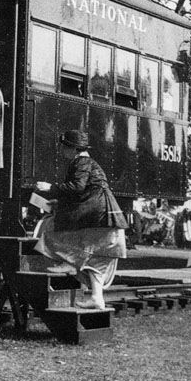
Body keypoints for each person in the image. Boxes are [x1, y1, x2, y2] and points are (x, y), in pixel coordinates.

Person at [34, 130, 129, 309]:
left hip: (96, 214)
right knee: (96, 258)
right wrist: (59, 200)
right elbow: (84, 190)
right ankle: (96, 297)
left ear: (74, 149)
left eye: (64, 147)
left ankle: (68, 263)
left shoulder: (81, 162)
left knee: (54, 233)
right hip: (105, 214)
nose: (62, 151)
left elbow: (78, 187)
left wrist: (50, 188)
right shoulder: (89, 162)